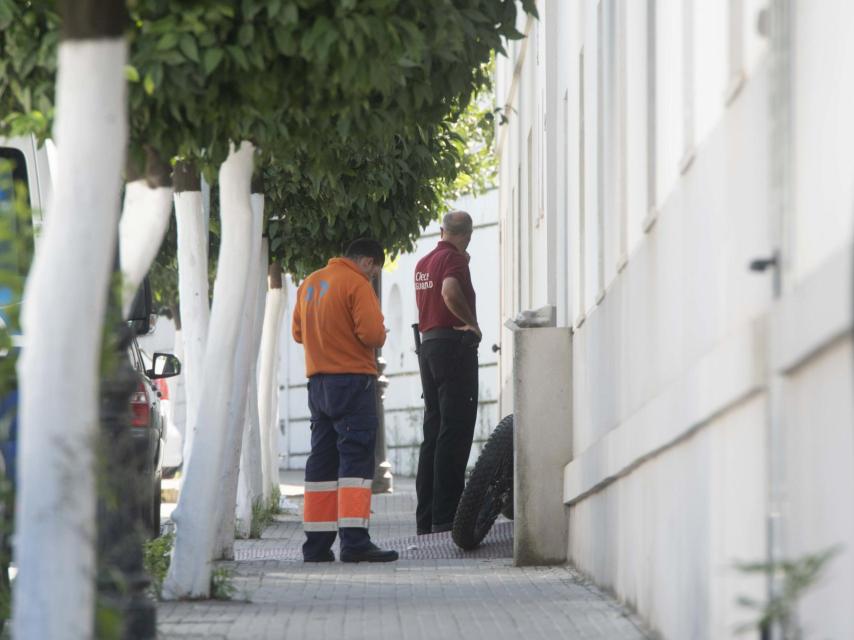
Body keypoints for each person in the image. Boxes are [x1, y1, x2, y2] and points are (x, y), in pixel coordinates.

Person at [292, 238, 398, 563]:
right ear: (368, 262)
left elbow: (298, 333)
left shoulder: (310, 283)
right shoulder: (356, 283)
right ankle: (354, 542)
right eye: (374, 270)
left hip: (318, 383)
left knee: (321, 462)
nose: (372, 276)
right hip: (352, 381)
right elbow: (372, 334)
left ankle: (317, 546)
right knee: (355, 459)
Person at [413, 211, 480, 535]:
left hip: (428, 347)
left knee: (434, 432)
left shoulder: (423, 262)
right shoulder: (454, 260)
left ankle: (426, 518)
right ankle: (447, 516)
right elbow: (450, 292)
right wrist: (473, 324)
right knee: (455, 431)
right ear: (467, 234)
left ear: (441, 230)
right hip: (453, 347)